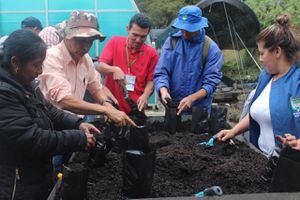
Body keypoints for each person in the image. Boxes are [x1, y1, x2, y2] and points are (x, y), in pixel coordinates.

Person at [0, 29, 98, 199]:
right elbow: (33, 139)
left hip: (35, 177)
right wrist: (78, 138)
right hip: (17, 184)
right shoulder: (4, 93)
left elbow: (49, 110)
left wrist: (77, 123)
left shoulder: (24, 82)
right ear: (15, 62)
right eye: (36, 65)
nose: (40, 71)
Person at [218, 14, 300, 157]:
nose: (260, 59)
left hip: (290, 167)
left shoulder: (296, 82)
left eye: (262, 53)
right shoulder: (266, 76)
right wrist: (234, 131)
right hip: (263, 159)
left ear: (277, 51)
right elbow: (258, 113)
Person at [39, 11, 135, 127]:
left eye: (90, 41)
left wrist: (107, 104)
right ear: (67, 36)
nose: (85, 47)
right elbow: (65, 101)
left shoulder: (86, 60)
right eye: (80, 40)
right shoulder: (52, 58)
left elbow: (96, 88)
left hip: (75, 123)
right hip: (51, 125)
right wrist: (105, 110)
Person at [153, 5, 223, 115]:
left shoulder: (210, 49)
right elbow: (161, 72)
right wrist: (164, 90)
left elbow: (211, 83)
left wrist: (192, 98)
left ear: (199, 26)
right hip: (174, 109)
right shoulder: (172, 42)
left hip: (199, 112)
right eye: (182, 29)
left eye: (189, 30)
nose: (184, 33)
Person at [97, 13, 159, 114]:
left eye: (143, 36)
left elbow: (151, 80)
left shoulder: (152, 54)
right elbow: (100, 66)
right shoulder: (115, 42)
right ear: (128, 29)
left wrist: (145, 96)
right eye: (135, 35)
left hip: (136, 107)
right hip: (114, 106)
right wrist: (114, 69)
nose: (138, 40)